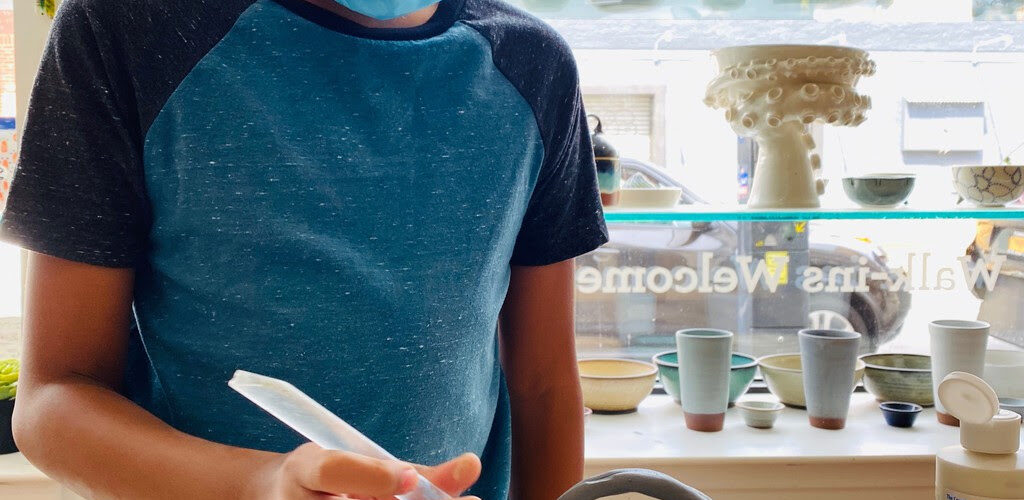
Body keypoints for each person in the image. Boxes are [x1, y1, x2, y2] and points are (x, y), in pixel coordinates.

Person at [0, 0, 608, 498]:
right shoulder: (128, 27)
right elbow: (55, 397)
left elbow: (544, 386)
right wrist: (258, 485)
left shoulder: (533, 66)